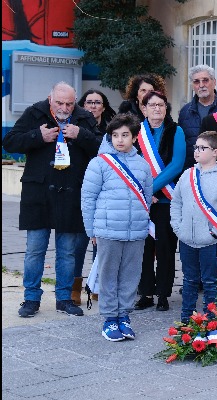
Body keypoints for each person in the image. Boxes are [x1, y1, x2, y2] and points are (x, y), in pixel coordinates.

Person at [3, 81, 101, 318]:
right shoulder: (34, 112)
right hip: (38, 193)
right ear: (50, 99)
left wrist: (82, 135)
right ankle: (31, 298)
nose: (65, 108)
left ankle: (64, 298)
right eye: (60, 103)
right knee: (34, 250)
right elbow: (10, 142)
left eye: (69, 103)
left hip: (71, 193)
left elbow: (101, 149)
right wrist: (38, 136)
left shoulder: (85, 117)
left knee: (67, 251)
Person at [81, 113, 153, 341]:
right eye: (115, 135)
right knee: (109, 275)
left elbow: (147, 197)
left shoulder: (142, 165)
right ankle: (110, 319)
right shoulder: (99, 163)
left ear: (134, 137)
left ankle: (124, 316)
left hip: (136, 232)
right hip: (108, 230)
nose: (120, 140)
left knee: (131, 275)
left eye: (125, 135)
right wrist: (91, 230)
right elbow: (88, 198)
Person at [171, 131, 217, 323]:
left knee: (210, 282)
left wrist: (215, 232)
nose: (197, 151)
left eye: (203, 148)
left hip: (210, 240)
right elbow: (176, 202)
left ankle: (210, 319)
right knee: (189, 280)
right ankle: (187, 318)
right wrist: (178, 227)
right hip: (186, 239)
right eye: (196, 147)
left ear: (215, 151)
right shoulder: (188, 174)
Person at [133, 91, 186, 312]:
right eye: (152, 105)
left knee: (165, 248)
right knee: (143, 249)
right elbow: (129, 163)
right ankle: (145, 292)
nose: (157, 109)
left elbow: (177, 164)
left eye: (161, 105)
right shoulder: (135, 132)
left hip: (165, 201)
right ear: (143, 109)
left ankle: (163, 294)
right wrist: (144, 193)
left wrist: (149, 188)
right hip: (141, 202)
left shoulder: (176, 131)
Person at [72, 89, 117, 305]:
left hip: (106, 192)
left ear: (104, 106)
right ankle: (76, 287)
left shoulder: (111, 130)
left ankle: (98, 284)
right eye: (88, 102)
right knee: (79, 241)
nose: (93, 106)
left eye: (97, 102)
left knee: (101, 243)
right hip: (81, 189)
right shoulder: (73, 126)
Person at [179, 65, 217, 170]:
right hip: (193, 173)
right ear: (192, 85)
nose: (201, 85)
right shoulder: (185, 112)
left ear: (214, 82)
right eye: (196, 82)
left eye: (205, 80)